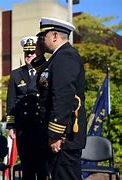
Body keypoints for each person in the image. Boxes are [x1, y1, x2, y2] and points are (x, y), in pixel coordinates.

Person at [31, 17, 87, 180]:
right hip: (60, 136)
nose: (41, 41)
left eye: (43, 37)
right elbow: (45, 84)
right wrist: (40, 59)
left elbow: (63, 98)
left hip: (63, 138)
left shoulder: (65, 57)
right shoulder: (58, 58)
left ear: (54, 36)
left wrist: (55, 134)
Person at [6, 36, 47, 180]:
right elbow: (11, 100)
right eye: (26, 53)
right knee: (27, 166)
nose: (29, 56)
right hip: (24, 126)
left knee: (42, 166)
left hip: (42, 125)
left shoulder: (46, 70)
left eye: (32, 53)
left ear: (38, 53)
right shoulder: (16, 74)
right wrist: (11, 125)